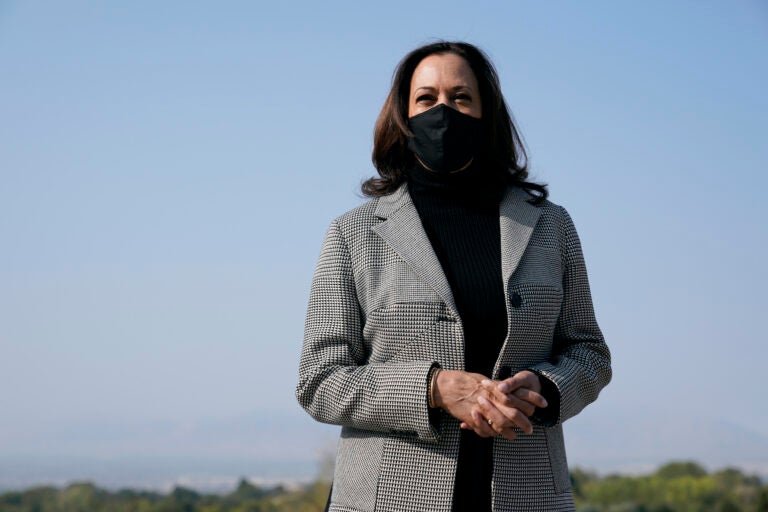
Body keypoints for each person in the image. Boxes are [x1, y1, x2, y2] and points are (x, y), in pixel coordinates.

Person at [296, 41, 611, 512]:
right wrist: (433, 389)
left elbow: (589, 353)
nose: (443, 111)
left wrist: (544, 391)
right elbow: (320, 380)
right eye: (427, 98)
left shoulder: (549, 225)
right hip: (390, 497)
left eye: (461, 98)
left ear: (486, 114)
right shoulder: (353, 233)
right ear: (403, 116)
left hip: (528, 496)